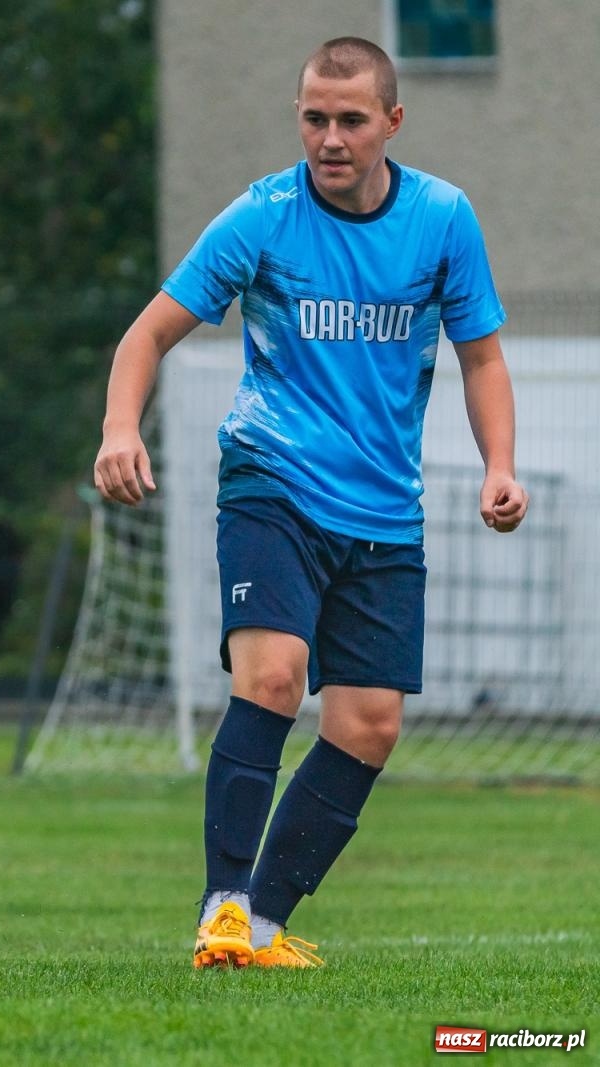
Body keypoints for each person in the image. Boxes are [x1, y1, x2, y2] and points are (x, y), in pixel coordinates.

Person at [94, 37, 527, 969]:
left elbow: (481, 353)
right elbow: (147, 332)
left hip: (384, 512)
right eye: (314, 118)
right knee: (275, 676)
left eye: (351, 120)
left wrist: (501, 463)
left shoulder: (443, 218)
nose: (330, 138)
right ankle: (220, 900)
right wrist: (120, 428)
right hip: (272, 481)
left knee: (368, 726)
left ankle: (262, 925)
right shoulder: (263, 216)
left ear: (392, 123)